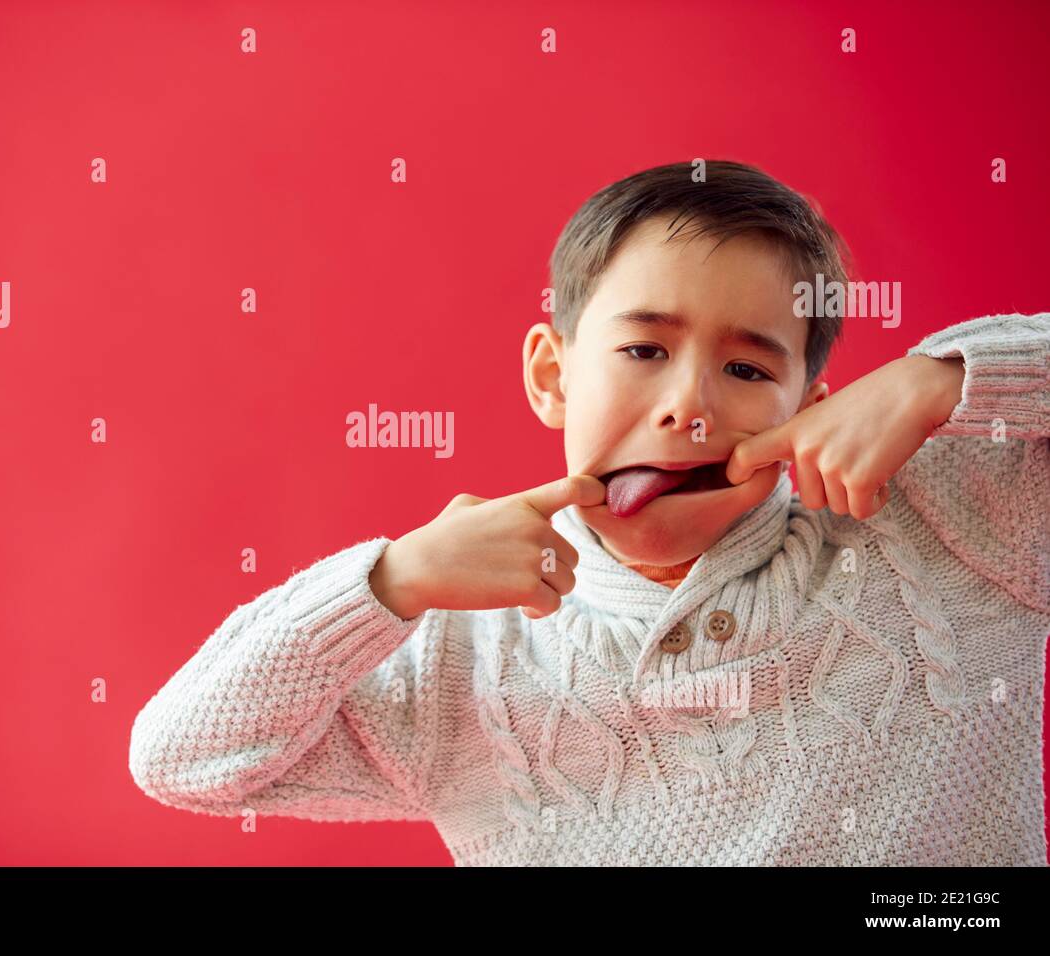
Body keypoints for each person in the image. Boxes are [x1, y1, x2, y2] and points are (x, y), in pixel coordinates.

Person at [129, 160, 1050, 865]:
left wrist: (946, 378)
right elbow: (181, 757)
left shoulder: (948, 519)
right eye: (645, 349)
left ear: (807, 414)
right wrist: (391, 581)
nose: (688, 406)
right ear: (551, 374)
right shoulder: (459, 655)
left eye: (747, 370)